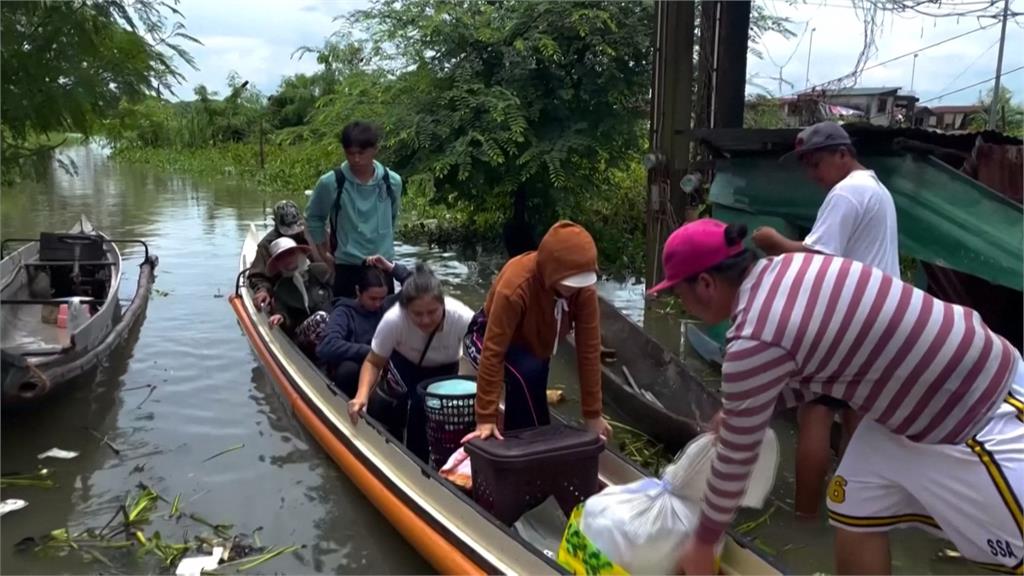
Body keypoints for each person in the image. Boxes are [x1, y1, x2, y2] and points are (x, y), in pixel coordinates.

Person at [646, 218, 1022, 576]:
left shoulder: (752, 339)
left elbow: (736, 458)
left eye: (680, 293)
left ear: (706, 284)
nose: (681, 305)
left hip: (980, 410)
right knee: (854, 500)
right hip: (934, 392)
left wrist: (702, 542)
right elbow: (820, 373)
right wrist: (755, 410)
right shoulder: (786, 269)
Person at [752, 121, 901, 519]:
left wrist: (774, 243)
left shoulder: (846, 194)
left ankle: (805, 520)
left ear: (842, 154)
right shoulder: (876, 189)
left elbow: (818, 259)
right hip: (881, 321)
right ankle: (856, 514)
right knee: (857, 418)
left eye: (816, 164)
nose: (812, 175)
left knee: (815, 412)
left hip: (848, 321)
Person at [463, 221, 612, 441]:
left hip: (535, 344)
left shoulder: (583, 292)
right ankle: (526, 444)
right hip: (484, 337)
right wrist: (485, 417)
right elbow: (493, 352)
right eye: (569, 282)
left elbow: (588, 351)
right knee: (528, 374)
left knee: (535, 381)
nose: (574, 289)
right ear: (551, 271)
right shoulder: (515, 286)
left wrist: (593, 413)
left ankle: (529, 439)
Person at [346, 264, 475, 463]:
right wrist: (361, 396)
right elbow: (373, 361)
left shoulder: (462, 317)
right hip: (405, 368)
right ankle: (414, 462)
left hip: (445, 373)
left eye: (432, 312)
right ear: (406, 309)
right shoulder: (394, 320)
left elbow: (486, 361)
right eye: (417, 314)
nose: (425, 320)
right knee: (415, 411)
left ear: (443, 304)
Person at [305, 121, 403, 299]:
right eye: (350, 153)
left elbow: (392, 217)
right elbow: (314, 217)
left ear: (375, 149)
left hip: (383, 267)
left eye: (361, 153)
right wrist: (324, 253)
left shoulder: (392, 181)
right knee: (345, 318)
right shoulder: (332, 182)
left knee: (382, 322)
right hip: (347, 266)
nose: (356, 159)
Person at [316, 256, 412, 397]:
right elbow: (326, 346)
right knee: (348, 370)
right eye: (372, 299)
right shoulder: (344, 312)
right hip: (356, 370)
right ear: (358, 292)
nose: (378, 304)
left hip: (385, 367)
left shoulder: (386, 306)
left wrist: (391, 267)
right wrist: (370, 351)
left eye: (382, 298)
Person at [264, 237, 333, 356]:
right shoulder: (281, 288)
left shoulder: (321, 271)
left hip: (334, 325)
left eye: (290, 254)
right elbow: (282, 312)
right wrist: (280, 317)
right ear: (277, 263)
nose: (287, 260)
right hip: (303, 335)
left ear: (299, 254)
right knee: (320, 318)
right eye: (281, 258)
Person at [249, 200, 311, 309]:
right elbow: (258, 275)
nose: (293, 234)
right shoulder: (266, 245)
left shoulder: (306, 235)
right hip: (282, 293)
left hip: (310, 286)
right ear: (275, 223)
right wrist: (263, 290)